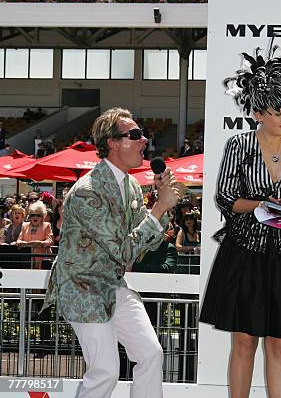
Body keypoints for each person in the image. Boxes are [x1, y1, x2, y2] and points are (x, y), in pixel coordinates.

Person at [199, 44, 281, 398]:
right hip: (245, 252)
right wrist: (262, 203)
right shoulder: (239, 145)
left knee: (280, 344)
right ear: (258, 113)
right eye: (279, 110)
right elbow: (224, 198)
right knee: (244, 341)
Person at [41, 107, 181, 398]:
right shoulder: (86, 191)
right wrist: (158, 208)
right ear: (113, 143)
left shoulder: (130, 185)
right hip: (82, 287)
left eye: (142, 134)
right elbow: (122, 251)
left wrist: (162, 206)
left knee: (151, 354)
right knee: (105, 370)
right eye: (135, 135)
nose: (144, 140)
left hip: (112, 285)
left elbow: (151, 241)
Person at [16, 201, 53, 269]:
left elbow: (49, 241)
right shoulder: (25, 226)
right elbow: (19, 240)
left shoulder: (46, 225)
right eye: (32, 215)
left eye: (38, 215)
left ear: (42, 217)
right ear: (29, 217)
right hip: (27, 261)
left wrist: (40, 243)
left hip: (41, 261)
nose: (35, 217)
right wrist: (24, 243)